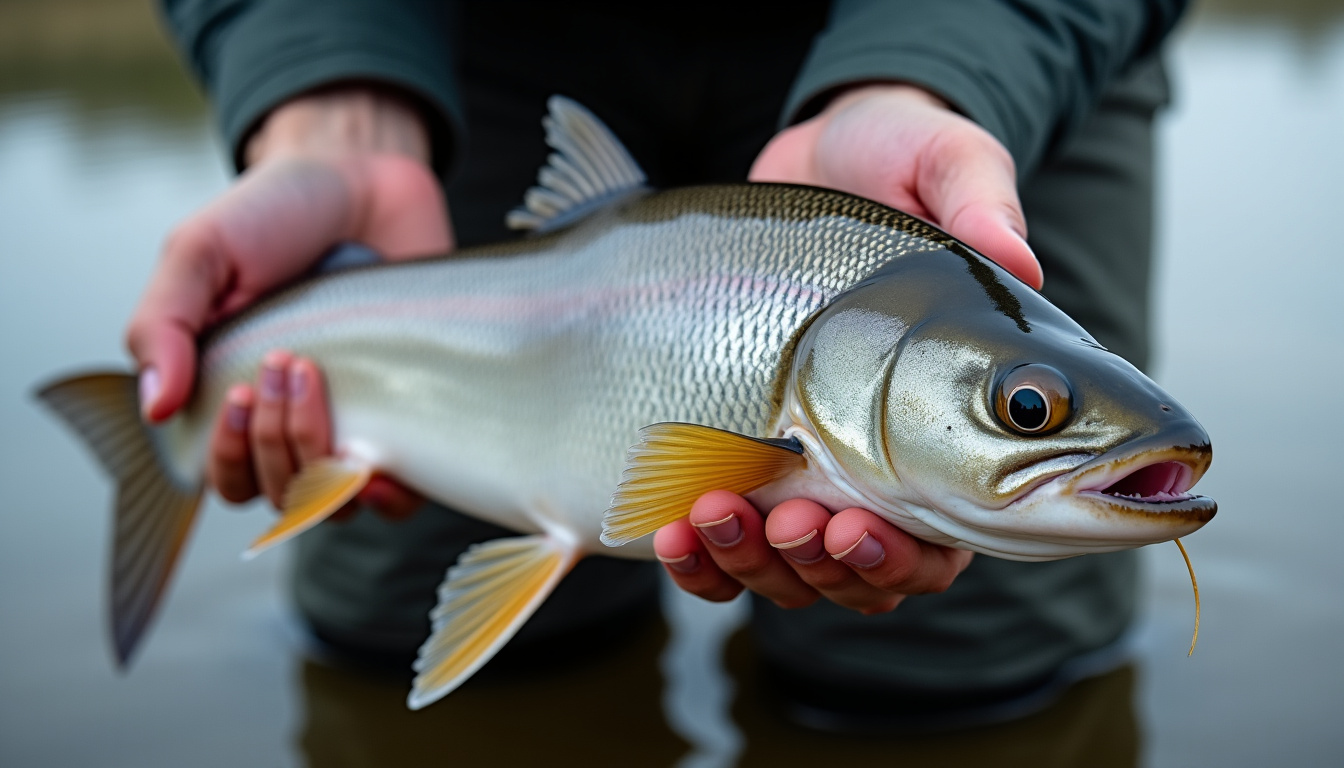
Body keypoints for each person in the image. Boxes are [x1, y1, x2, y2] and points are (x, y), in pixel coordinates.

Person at [138, 0, 1184, 727]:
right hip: (469, 40)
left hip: (957, 39)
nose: (1035, 413)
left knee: (964, 677)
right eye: (1032, 407)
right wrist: (329, 102)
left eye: (1026, 406)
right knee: (383, 627)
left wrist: (930, 77)